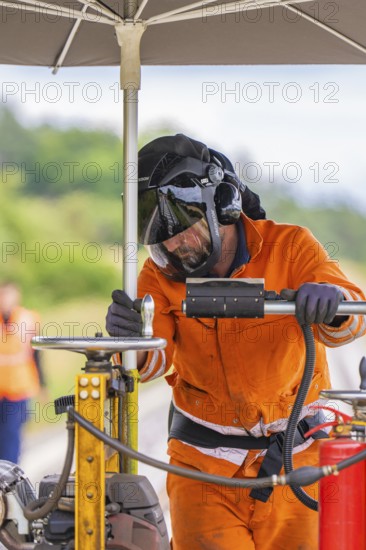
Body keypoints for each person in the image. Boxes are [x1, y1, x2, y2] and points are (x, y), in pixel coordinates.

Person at [106, 134, 366, 550]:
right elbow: (154, 361)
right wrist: (131, 339)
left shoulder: (291, 247)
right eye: (160, 238)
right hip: (203, 471)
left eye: (183, 230)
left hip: (298, 462)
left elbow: (351, 324)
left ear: (223, 207)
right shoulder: (158, 278)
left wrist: (332, 304)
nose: (174, 245)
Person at [0, 281, 45, 463]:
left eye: (9, 295)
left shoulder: (27, 319)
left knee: (12, 436)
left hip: (18, 388)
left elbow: (37, 355)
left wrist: (43, 384)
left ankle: (9, 479)